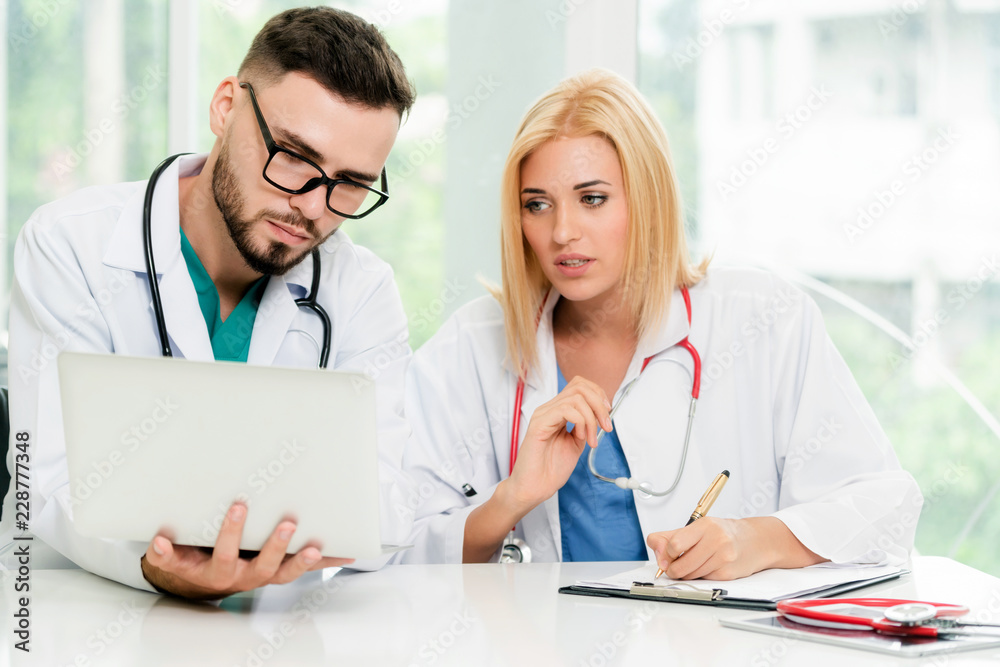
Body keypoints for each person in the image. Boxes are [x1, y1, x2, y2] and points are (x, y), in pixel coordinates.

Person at [399, 69, 922, 577]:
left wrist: (754, 539)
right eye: (537, 205)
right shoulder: (471, 344)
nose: (562, 232)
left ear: (647, 198)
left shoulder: (765, 318)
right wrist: (510, 500)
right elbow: (389, 552)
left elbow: (884, 508)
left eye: (592, 199)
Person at [1, 7, 416, 599]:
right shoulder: (72, 245)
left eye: (349, 182)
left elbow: (385, 502)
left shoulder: (363, 289)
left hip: (273, 629)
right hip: (80, 615)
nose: (313, 207)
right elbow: (41, 480)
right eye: (295, 157)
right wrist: (155, 563)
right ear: (226, 107)